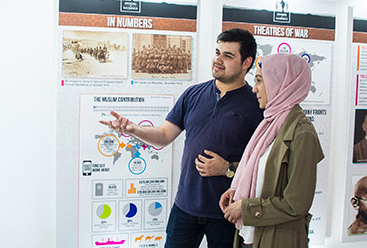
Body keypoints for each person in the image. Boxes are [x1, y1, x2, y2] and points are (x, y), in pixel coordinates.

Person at [100, 28, 264, 248]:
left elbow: (262, 164)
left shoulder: (257, 105)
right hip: (185, 206)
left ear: (246, 62)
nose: (218, 59)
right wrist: (132, 129)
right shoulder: (192, 94)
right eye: (217, 52)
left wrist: (227, 168)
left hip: (227, 212)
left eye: (228, 55)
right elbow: (164, 135)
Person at [219, 53, 324, 248]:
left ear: (283, 84)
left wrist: (245, 208)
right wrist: (236, 191)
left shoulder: (302, 133)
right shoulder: (269, 124)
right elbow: (259, 176)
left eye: (260, 80)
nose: (254, 88)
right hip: (250, 235)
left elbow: (295, 205)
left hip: (276, 239)